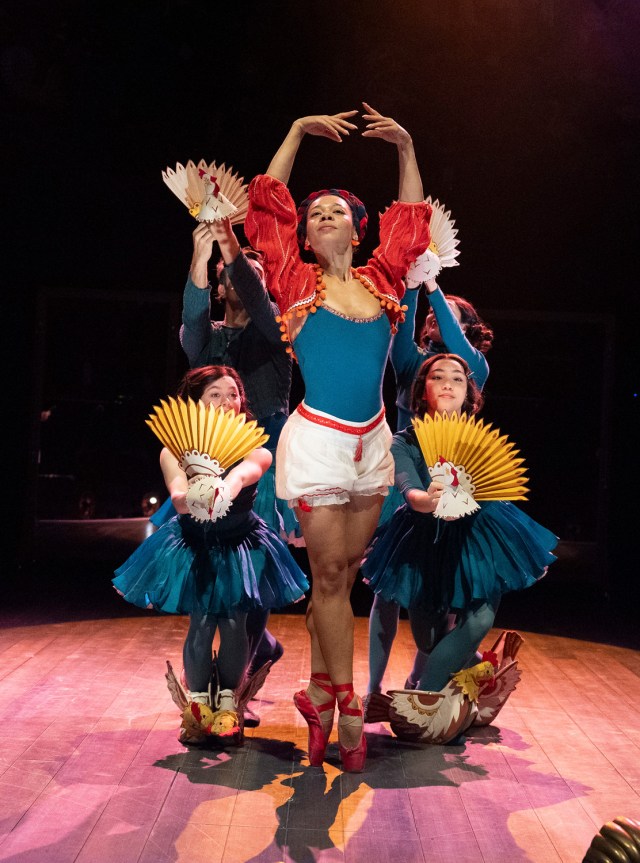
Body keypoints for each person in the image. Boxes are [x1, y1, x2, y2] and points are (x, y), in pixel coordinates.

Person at [244, 103, 432, 772]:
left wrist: (406, 147)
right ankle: (348, 706)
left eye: (334, 212)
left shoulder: (384, 283)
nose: (321, 218)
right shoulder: (295, 281)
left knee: (346, 576)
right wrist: (293, 131)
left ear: (357, 228)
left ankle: (319, 692)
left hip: (372, 443)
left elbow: (411, 228)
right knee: (326, 572)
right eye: (314, 212)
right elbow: (265, 210)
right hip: (320, 440)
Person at [112, 365, 309, 746]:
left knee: (235, 622)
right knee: (202, 622)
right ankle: (198, 707)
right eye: (214, 395)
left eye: (232, 394)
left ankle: (227, 705)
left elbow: (245, 474)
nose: (225, 402)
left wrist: (224, 486)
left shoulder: (256, 448)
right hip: (197, 544)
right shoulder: (174, 451)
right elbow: (178, 499)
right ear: (196, 404)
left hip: (239, 543)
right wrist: (195, 495)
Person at [152, 216, 300, 720]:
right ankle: (221, 689)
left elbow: (258, 301)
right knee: (215, 581)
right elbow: (192, 321)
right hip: (206, 460)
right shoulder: (206, 341)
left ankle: (236, 695)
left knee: (254, 581)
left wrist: (231, 245)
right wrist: (200, 254)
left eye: (248, 273)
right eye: (227, 273)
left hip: (263, 458)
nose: (236, 279)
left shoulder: (274, 330)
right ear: (217, 285)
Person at [361, 353, 558, 699]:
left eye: (458, 378)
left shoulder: (480, 439)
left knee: (479, 620)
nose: (448, 383)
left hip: (481, 534)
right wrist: (429, 500)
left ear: (469, 393)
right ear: (423, 391)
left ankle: (424, 699)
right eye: (438, 377)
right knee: (428, 640)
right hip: (426, 536)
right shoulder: (404, 441)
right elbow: (410, 491)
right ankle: (481, 671)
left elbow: (495, 480)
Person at [368, 278, 495, 700]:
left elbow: (456, 341)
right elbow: (400, 330)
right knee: (391, 588)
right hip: (409, 475)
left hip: (463, 484)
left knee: (453, 594)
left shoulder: (470, 366)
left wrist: (434, 287)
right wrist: (409, 285)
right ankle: (375, 688)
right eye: (429, 317)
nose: (433, 320)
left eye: (444, 318)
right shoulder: (413, 367)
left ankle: (428, 680)